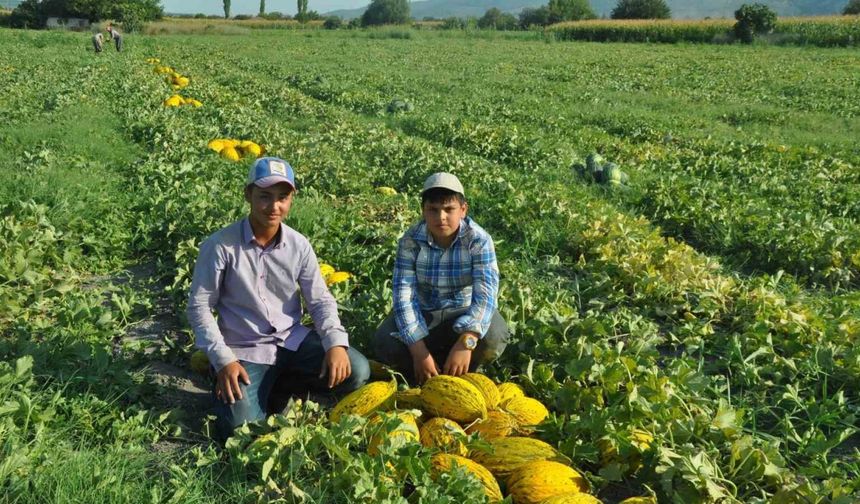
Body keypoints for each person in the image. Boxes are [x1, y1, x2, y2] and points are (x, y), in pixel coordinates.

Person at [186, 157, 370, 441]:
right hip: (245, 350)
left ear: (292, 198)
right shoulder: (220, 245)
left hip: (291, 341)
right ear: (248, 194)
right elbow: (199, 307)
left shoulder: (298, 245)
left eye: (282, 198)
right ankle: (242, 386)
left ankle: (279, 385)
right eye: (264, 197)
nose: (274, 207)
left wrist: (334, 343)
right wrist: (223, 360)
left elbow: (320, 300)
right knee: (240, 432)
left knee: (356, 370)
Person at [373, 173, 510, 385]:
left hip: (463, 311)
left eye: (449, 209)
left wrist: (467, 342)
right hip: (425, 313)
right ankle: (425, 370)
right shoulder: (410, 241)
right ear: (423, 211)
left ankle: (464, 369)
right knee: (385, 340)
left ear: (463, 210)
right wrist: (419, 352)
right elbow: (404, 298)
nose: (441, 217)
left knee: (495, 334)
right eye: (433, 210)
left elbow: (486, 296)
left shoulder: (479, 240)